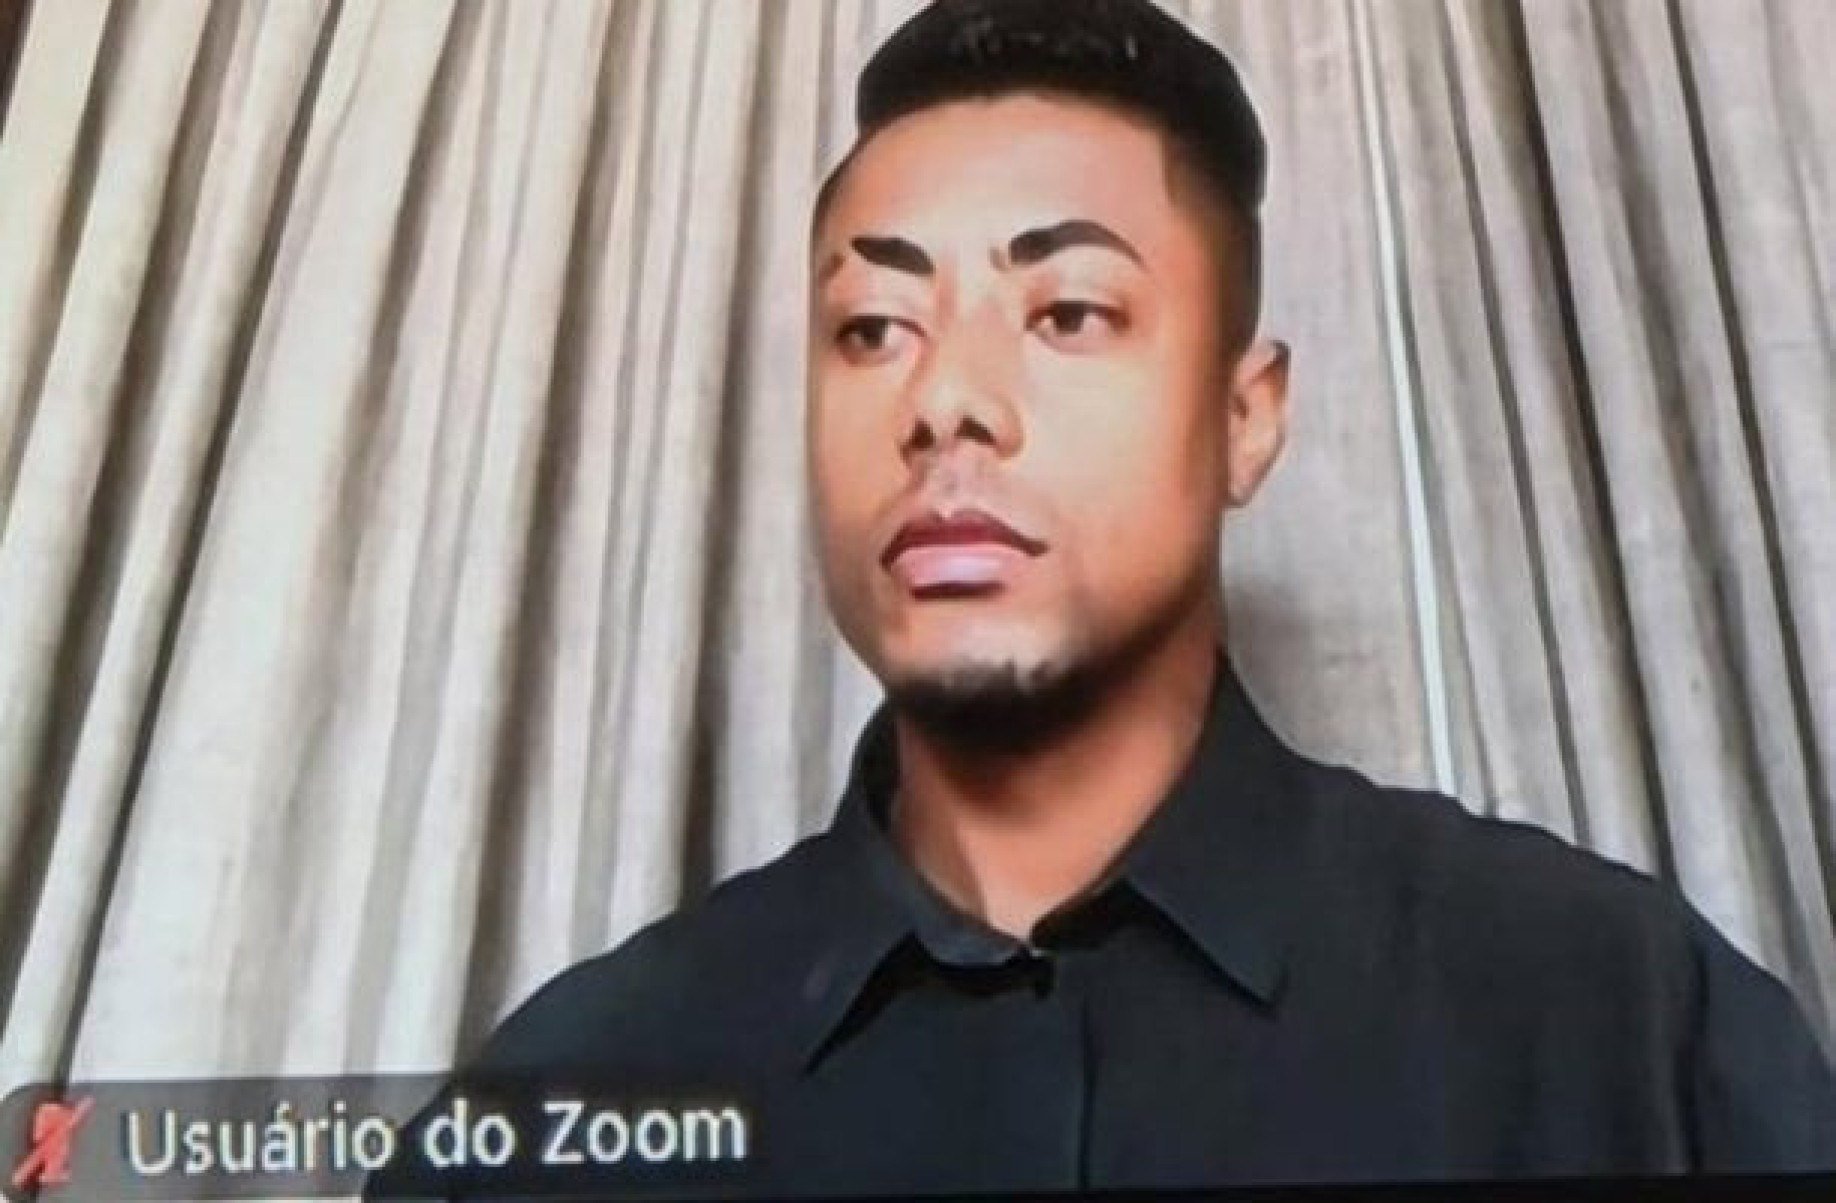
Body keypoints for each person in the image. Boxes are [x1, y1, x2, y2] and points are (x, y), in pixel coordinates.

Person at [374, 0, 1836, 1195]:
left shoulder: (1619, 1029)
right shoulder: (566, 1101)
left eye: (1067, 312)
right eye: (872, 327)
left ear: (1246, 418)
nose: (946, 400)